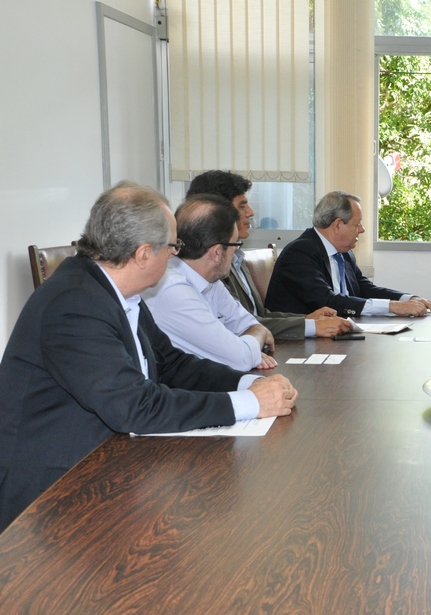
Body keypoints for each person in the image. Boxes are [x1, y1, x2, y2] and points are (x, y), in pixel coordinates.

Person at [0, 182, 297, 530]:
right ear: (143, 254)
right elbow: (136, 407)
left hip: (109, 464)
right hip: (51, 499)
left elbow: (171, 364)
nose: (176, 255)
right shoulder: (74, 304)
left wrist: (250, 382)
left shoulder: (118, 293)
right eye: (173, 246)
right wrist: (248, 403)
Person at [185, 170, 350, 339]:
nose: (250, 212)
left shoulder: (237, 259)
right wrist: (311, 326)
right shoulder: (211, 265)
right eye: (242, 206)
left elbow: (259, 314)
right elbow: (240, 324)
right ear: (216, 212)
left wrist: (307, 318)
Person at [142, 195, 279, 372]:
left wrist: (245, 346)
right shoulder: (172, 289)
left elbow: (248, 324)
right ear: (216, 253)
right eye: (235, 244)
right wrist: (251, 343)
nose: (236, 251)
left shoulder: (210, 280)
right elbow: (241, 358)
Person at [265, 191, 431, 317]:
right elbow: (328, 301)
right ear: (337, 225)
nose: (362, 229)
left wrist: (408, 299)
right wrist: (393, 307)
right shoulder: (300, 253)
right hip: (295, 344)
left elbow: (364, 288)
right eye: (357, 224)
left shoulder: (343, 252)